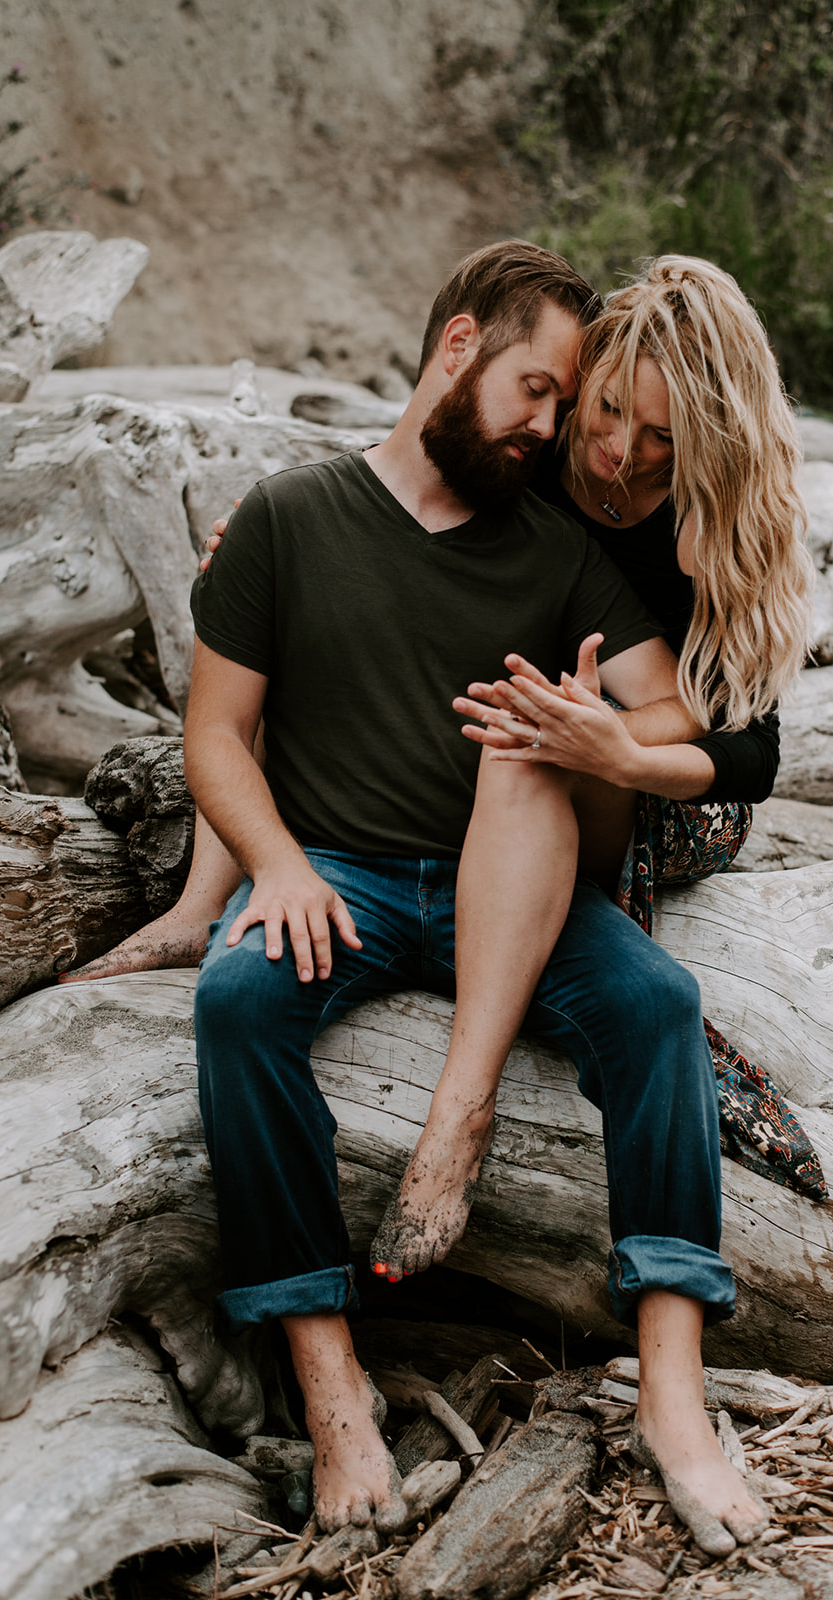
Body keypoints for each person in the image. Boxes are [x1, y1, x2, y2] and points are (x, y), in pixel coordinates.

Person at [159, 240, 770, 1552]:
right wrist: (271, 866)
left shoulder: (558, 546)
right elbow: (215, 734)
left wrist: (600, 732)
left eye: (571, 404)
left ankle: (674, 1391)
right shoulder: (286, 516)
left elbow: (673, 707)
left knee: (659, 1005)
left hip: (523, 876)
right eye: (543, 396)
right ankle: (331, 1388)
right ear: (456, 354)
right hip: (349, 880)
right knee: (235, 1002)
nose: (558, 431)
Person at [368, 256, 819, 1284]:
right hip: (518, 739)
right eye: (607, 411)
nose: (619, 451)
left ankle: (463, 1113)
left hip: (669, 783)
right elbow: (399, 492)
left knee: (558, 735)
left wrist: (628, 751)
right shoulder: (532, 446)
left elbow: (754, 752)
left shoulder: (725, 509)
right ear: (588, 375)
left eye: (662, 437)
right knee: (531, 734)